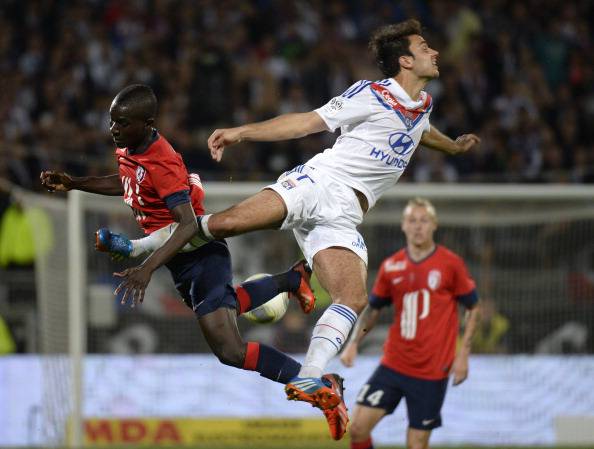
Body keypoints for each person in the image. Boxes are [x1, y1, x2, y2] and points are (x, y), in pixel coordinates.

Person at [101, 19, 479, 436]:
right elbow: (306, 123)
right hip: (317, 184)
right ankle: (136, 247)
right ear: (405, 61)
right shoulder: (372, 94)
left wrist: (452, 145)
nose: (434, 52)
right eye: (424, 47)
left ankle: (312, 377)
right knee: (224, 224)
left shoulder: (422, 104)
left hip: (343, 215)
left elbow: (420, 129)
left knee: (352, 298)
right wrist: (242, 133)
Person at [39, 84, 348, 440]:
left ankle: (318, 385)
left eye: (121, 123)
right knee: (226, 308)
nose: (114, 129)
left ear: (147, 123)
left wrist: (147, 268)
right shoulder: (129, 147)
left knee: (229, 350)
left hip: (200, 255)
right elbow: (129, 183)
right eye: (112, 121)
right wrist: (75, 183)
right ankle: (290, 280)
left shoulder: (162, 160)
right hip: (181, 260)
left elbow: (187, 224)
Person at [339, 198, 481, 449]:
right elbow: (374, 309)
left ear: (434, 225)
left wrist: (463, 354)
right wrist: (353, 343)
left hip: (432, 371)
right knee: (358, 428)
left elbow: (473, 307)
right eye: (412, 220)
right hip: (393, 364)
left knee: (416, 444)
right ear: (403, 225)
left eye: (424, 220)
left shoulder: (450, 264)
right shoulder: (391, 266)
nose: (418, 226)